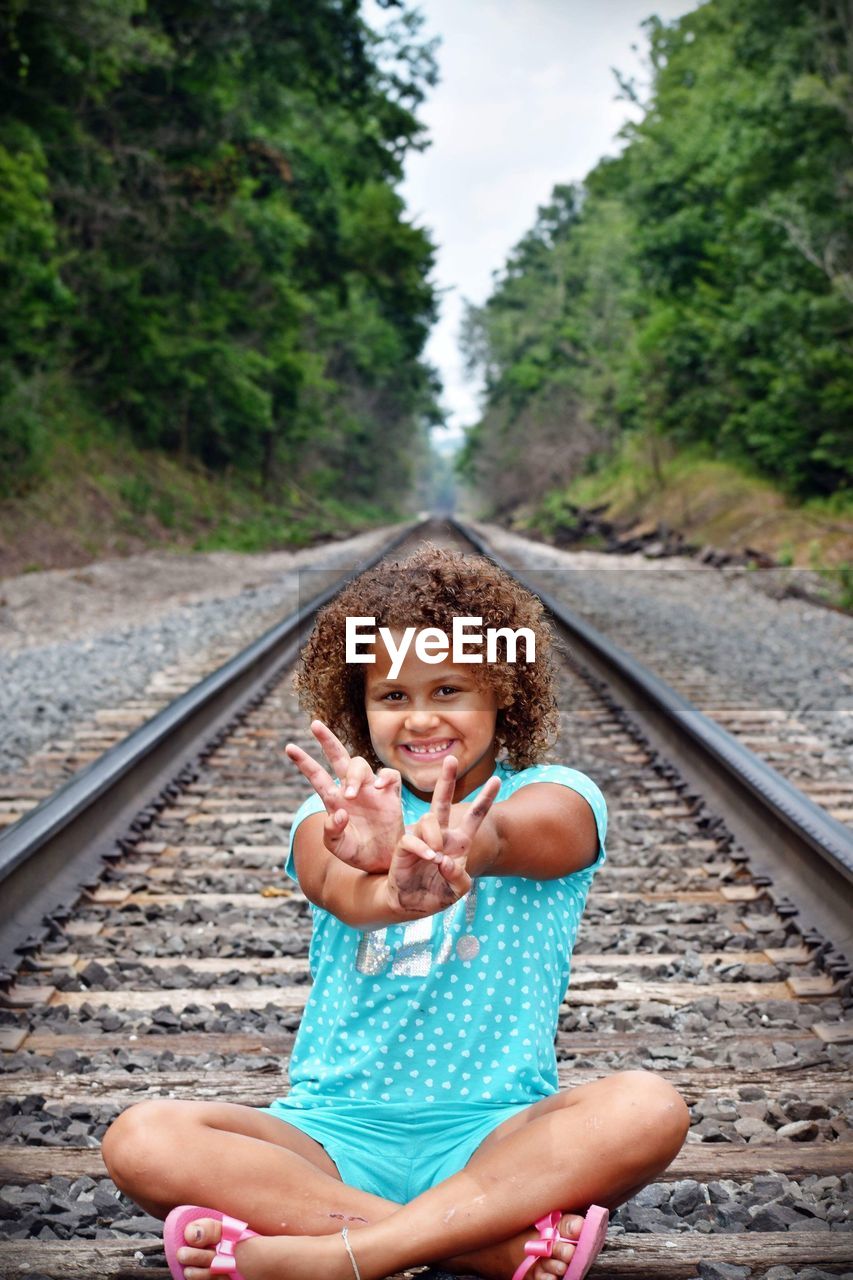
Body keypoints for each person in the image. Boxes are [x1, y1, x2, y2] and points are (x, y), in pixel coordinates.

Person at [101, 544, 689, 1280]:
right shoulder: (331, 818)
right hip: (329, 1139)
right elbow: (344, 891)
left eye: (449, 691)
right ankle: (484, 1245)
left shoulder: (559, 795)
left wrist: (453, 848)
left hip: (495, 1136)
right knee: (142, 1138)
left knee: (648, 1106)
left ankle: (329, 1256)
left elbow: (512, 835)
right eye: (392, 696)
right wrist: (390, 888)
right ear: (359, 705)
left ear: (502, 691)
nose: (420, 719)